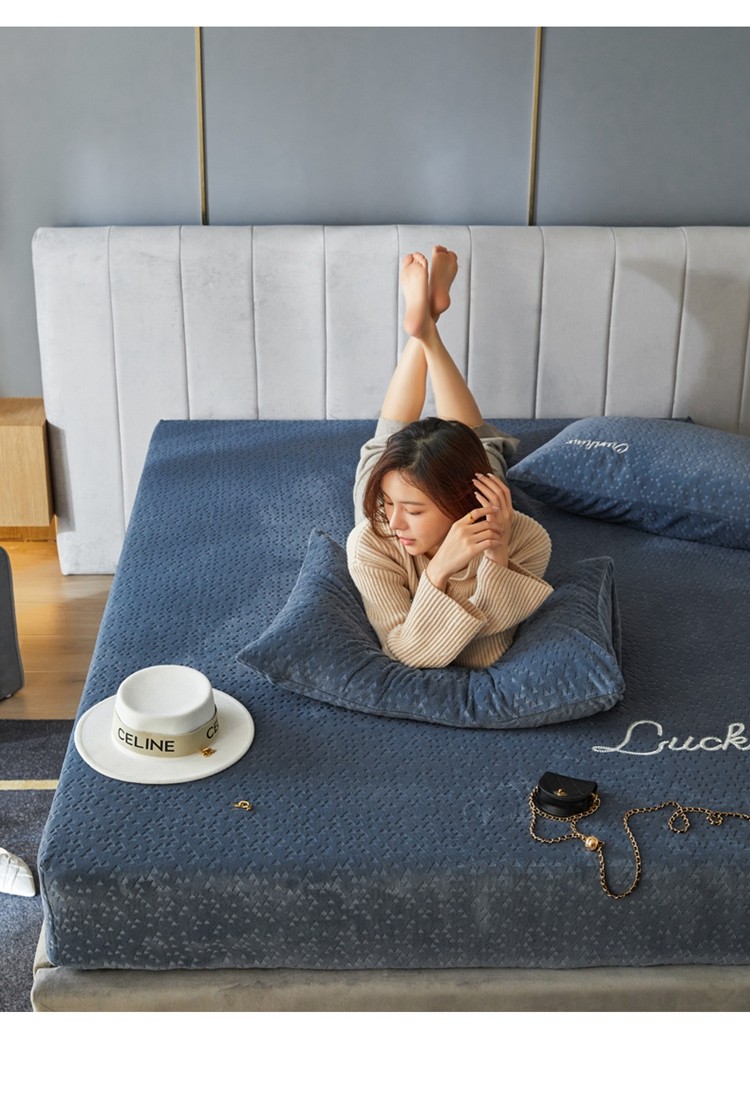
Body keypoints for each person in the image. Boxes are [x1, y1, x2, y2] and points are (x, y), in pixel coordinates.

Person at [346, 247, 553, 669]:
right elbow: (404, 652)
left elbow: (487, 653)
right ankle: (427, 329)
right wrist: (439, 569)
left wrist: (495, 558)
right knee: (400, 442)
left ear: (461, 499)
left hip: (470, 499)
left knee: (472, 445)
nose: (395, 522)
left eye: (414, 511)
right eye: (389, 504)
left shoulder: (526, 539)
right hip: (400, 476)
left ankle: (426, 325)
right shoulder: (372, 537)